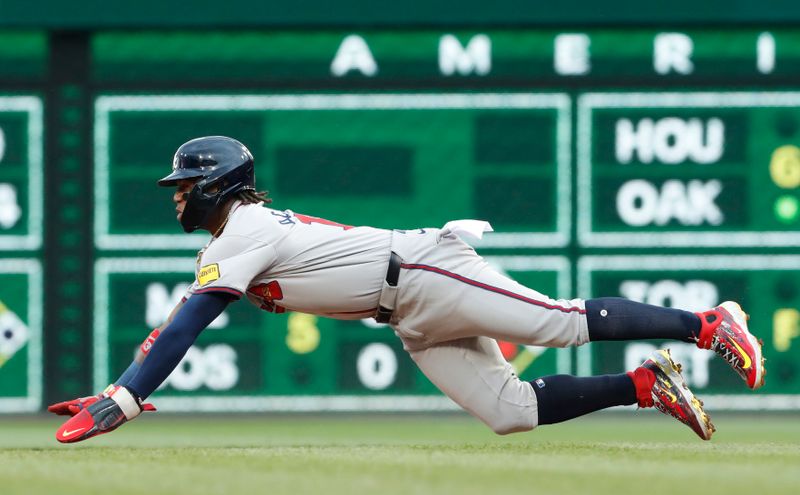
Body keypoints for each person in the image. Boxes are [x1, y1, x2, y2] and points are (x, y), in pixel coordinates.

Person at [49, 136, 765, 443]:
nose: (176, 199)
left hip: (421, 269)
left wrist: (125, 397)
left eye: (184, 187)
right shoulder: (233, 237)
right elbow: (177, 320)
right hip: (406, 311)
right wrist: (119, 385)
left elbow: (187, 324)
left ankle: (708, 324)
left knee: (558, 322)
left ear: (212, 186)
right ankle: (646, 385)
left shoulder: (242, 229)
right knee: (509, 411)